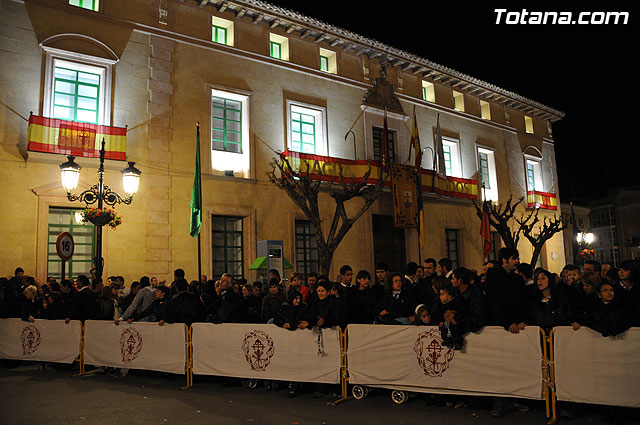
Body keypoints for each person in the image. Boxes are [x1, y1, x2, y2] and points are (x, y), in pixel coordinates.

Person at [450, 267, 485, 333]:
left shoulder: (474, 295)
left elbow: (477, 319)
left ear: (460, 281)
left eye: (453, 279)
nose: (451, 281)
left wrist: (458, 320)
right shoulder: (456, 293)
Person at [433, 282, 466, 350]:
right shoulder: (440, 305)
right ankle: (447, 340)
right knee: (444, 332)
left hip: (453, 323)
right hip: (445, 323)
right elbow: (438, 314)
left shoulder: (456, 303)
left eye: (442, 294)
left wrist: (455, 319)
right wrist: (439, 321)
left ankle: (458, 342)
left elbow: (461, 312)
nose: (440, 296)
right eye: (440, 294)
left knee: (455, 331)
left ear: (449, 296)